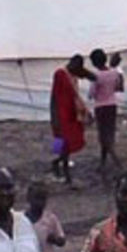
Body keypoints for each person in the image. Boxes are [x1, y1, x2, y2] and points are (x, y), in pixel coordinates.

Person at [51, 55, 94, 189]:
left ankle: (56, 162)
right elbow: (54, 96)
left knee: (65, 141)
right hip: (60, 113)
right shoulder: (60, 74)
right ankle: (66, 174)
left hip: (70, 114)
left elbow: (76, 95)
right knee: (64, 142)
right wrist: (54, 116)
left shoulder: (72, 76)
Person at [88, 49, 124, 172]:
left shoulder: (96, 76)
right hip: (112, 105)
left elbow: (92, 93)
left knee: (103, 138)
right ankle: (102, 163)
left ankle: (119, 164)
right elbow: (118, 87)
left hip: (101, 107)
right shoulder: (114, 73)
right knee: (109, 134)